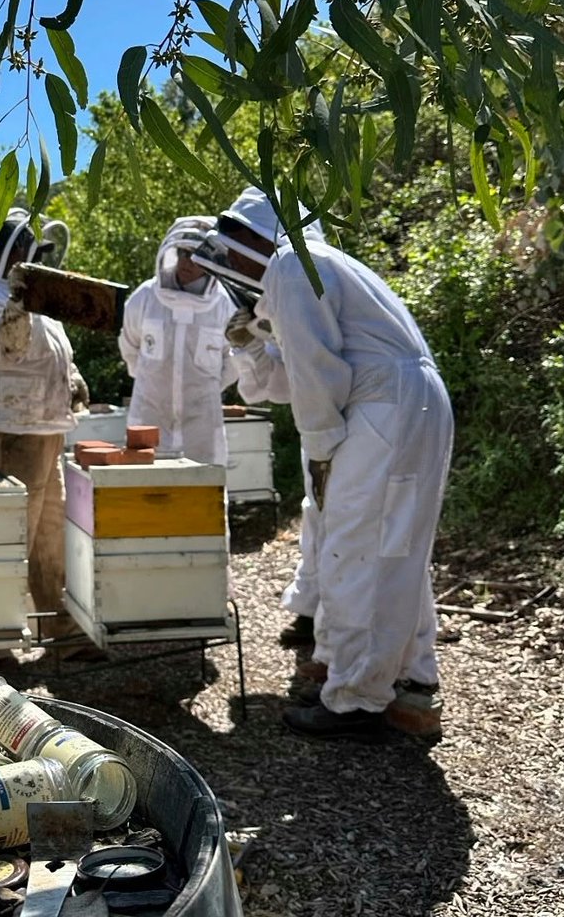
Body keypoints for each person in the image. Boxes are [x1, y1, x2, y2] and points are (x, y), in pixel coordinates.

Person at [209, 186, 453, 739]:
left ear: (258, 236)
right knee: (396, 550)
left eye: (236, 245)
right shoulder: (316, 266)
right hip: (405, 404)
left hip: (385, 409)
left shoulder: (294, 265)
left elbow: (318, 377)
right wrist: (250, 345)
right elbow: (290, 380)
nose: (232, 262)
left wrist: (322, 453)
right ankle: (411, 688)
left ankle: (354, 701)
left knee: (355, 551)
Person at [0, 208, 100, 661]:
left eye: (27, 247)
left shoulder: (36, 299)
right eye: (19, 247)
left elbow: (55, 352)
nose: (26, 254)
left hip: (44, 432)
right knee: (5, 541)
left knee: (48, 540)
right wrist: (20, 301)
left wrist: (73, 378)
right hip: (6, 438)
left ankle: (59, 631)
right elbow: (9, 346)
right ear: (1, 253)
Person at [118, 217, 238, 466]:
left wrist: (207, 389)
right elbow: (129, 347)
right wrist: (151, 380)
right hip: (150, 416)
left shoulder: (224, 305)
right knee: (144, 492)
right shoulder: (145, 297)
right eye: (182, 253)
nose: (186, 262)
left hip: (202, 424)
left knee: (203, 493)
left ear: (209, 260)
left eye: (195, 256)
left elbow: (235, 360)